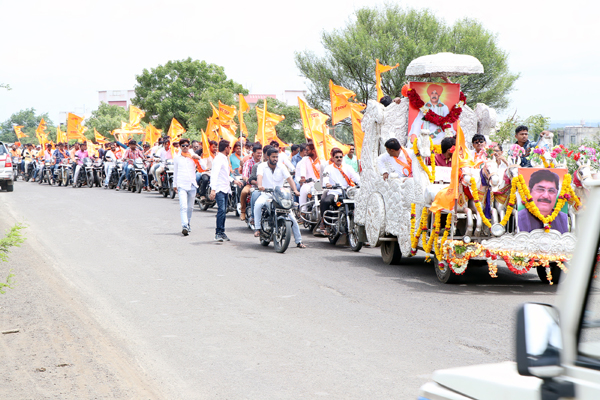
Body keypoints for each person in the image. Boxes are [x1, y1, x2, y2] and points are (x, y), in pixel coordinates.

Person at [253, 147, 305, 248]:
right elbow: (259, 177)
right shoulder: (262, 166)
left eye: (277, 157)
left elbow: (289, 179)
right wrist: (260, 186)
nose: (275, 159)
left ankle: (299, 241)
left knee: (292, 217)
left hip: (279, 196)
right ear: (268, 157)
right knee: (258, 204)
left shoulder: (281, 167)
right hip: (266, 194)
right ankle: (258, 228)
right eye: (273, 157)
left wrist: (295, 190)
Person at [318, 147, 361, 235]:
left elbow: (356, 177)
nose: (339, 159)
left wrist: (361, 184)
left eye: (341, 157)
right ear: (333, 158)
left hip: (346, 192)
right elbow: (325, 177)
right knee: (325, 201)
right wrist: (327, 184)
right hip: (334, 192)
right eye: (337, 157)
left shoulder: (348, 167)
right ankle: (327, 225)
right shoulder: (328, 168)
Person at [209, 140, 242, 242]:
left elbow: (224, 175)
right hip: (219, 188)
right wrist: (213, 189)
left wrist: (234, 181)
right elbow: (214, 174)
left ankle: (222, 232)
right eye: (229, 147)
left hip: (225, 188)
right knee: (221, 210)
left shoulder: (224, 158)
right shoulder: (218, 159)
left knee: (223, 211)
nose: (230, 149)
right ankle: (218, 233)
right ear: (226, 148)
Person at [517, 169, 568, 233]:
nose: (546, 196)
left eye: (551, 191)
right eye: (540, 189)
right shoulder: (518, 218)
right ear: (529, 191)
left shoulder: (564, 219)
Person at [173, 138, 202, 236]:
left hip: (192, 184)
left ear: (189, 146)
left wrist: (198, 158)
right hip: (181, 184)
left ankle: (188, 223)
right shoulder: (177, 158)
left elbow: (203, 166)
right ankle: (184, 225)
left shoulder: (193, 156)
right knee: (183, 206)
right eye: (183, 146)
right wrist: (174, 184)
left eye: (186, 145)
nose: (185, 147)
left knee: (190, 207)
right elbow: (175, 172)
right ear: (180, 147)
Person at [239, 143, 262, 221]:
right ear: (253, 153)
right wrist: (246, 179)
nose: (260, 155)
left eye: (261, 153)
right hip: (250, 185)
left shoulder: (263, 163)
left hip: (261, 185)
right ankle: (243, 211)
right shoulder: (248, 162)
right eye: (258, 153)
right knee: (244, 192)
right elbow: (244, 174)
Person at [297, 143, 322, 212]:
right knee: (303, 189)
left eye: (307, 150)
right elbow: (303, 169)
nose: (306, 151)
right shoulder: (305, 159)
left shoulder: (321, 160)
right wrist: (303, 178)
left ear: (313, 150)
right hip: (309, 183)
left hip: (321, 184)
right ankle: (303, 212)